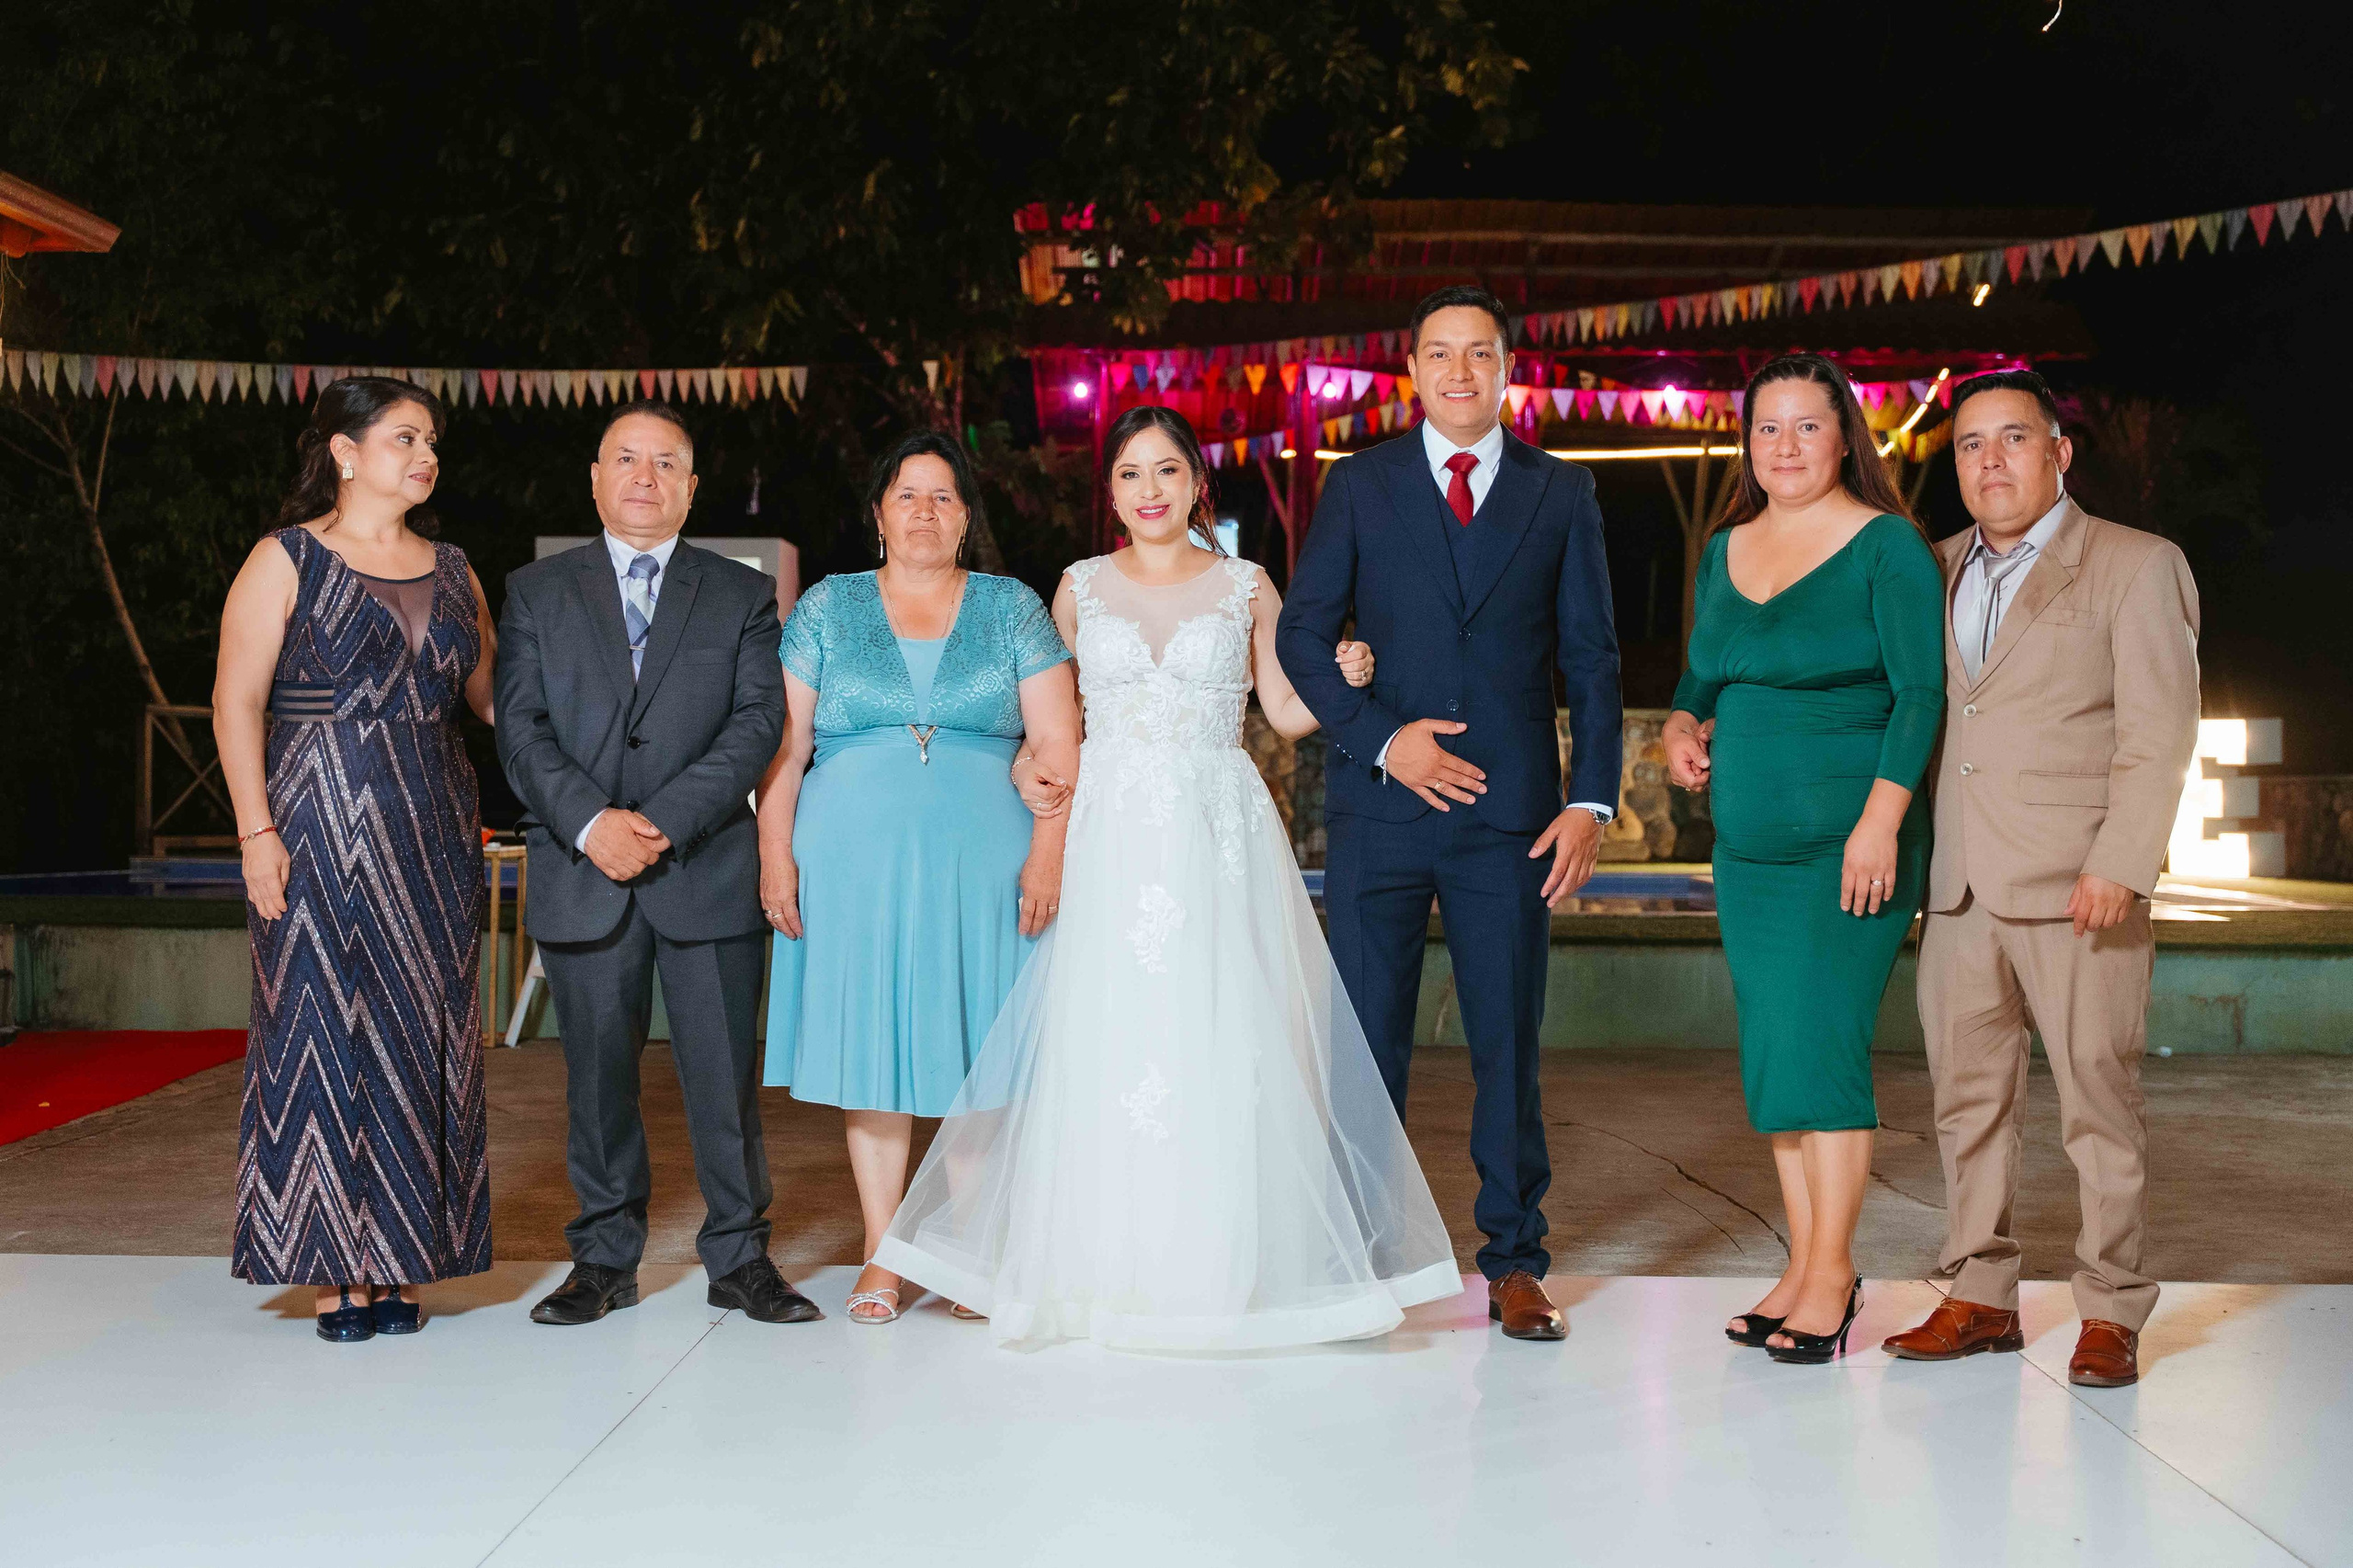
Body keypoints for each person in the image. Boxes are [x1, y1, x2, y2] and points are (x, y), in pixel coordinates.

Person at [875, 404, 1449, 1351]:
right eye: (1130, 474)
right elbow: (1044, 718)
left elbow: (1282, 709)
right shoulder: (1077, 587)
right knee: (1104, 1029)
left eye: (1167, 471)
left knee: (1219, 1029)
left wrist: (1342, 673)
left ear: (1195, 484)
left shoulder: (1246, 585)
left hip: (1212, 826)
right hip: (1108, 829)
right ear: (1110, 492)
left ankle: (1213, 1266)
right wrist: (1023, 766)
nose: (1150, 490)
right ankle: (1101, 1266)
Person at [1273, 284, 1623, 1342]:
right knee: (1362, 1047)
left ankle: (1514, 1261)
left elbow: (1591, 661)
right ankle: (1354, 1259)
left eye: (1479, 353)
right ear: (1412, 370)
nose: (1459, 371)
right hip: (1379, 808)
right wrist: (1385, 738)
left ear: (1507, 369)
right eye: (1439, 353)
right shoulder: (1359, 483)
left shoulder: (1560, 492)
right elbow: (1299, 636)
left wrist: (1590, 799)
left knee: (1506, 1048)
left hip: (1508, 821)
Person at [1881, 370, 2199, 1389]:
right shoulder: (1928, 567)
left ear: (2059, 452)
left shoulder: (2135, 564)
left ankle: (2111, 1307)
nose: (1990, 461)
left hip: (2079, 887)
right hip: (1958, 888)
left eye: (2012, 438)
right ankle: (1979, 1295)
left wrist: (2122, 862)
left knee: (2099, 1104)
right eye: (1969, 444)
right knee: (1966, 1104)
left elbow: (2159, 731)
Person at [495, 400, 817, 1328]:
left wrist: (664, 822)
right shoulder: (537, 591)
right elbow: (520, 728)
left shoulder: (739, 593)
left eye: (667, 461)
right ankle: (602, 1260)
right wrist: (591, 822)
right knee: (596, 1082)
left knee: (723, 1079)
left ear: (692, 486)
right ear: (596, 479)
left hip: (704, 868)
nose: (646, 476)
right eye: (627, 459)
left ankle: (740, 1257)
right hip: (583, 870)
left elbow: (758, 722)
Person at [756, 432, 1082, 1325]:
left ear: (966, 517)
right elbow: (785, 746)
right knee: (874, 1051)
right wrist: (774, 852)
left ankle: (972, 1250)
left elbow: (1058, 739)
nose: (925, 511)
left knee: (980, 1050)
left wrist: (1049, 851)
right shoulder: (829, 606)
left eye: (943, 496)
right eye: (907, 494)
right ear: (879, 513)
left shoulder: (1012, 607)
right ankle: (885, 1252)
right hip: (850, 860)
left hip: (990, 860)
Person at [1661, 353, 1945, 1363]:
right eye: (1767, 428)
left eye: (1807, 426)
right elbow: (1701, 673)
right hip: (1748, 852)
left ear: (1844, 438)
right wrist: (1679, 724)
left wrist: (1880, 821)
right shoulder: (1725, 547)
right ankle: (1803, 1264)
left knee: (1822, 1053)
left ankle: (1833, 1275)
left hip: (1849, 845)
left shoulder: (1887, 547)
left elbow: (1920, 693)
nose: (1785, 446)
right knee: (1777, 1053)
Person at [214, 376, 497, 1341]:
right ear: (344, 450)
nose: (426, 456)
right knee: (317, 1026)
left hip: (433, 820)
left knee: (422, 1031)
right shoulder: (284, 557)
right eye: (405, 437)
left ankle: (406, 1251)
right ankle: (334, 1266)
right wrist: (256, 832)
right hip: (315, 815)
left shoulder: (455, 568)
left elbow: (495, 699)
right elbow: (235, 701)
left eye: (432, 441)